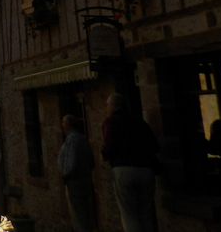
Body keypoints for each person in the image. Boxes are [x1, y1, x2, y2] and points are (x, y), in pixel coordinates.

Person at [101, 93, 159, 232]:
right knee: (146, 214)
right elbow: (154, 145)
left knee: (129, 215)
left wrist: (105, 153)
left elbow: (109, 147)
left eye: (107, 105)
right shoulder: (139, 121)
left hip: (123, 169)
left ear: (113, 106)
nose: (106, 108)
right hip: (146, 170)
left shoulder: (111, 123)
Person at [58, 114, 95, 231]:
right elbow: (91, 161)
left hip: (75, 181)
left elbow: (71, 162)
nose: (62, 125)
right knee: (86, 213)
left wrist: (65, 174)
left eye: (63, 123)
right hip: (85, 179)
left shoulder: (72, 140)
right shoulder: (82, 139)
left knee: (78, 215)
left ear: (68, 125)